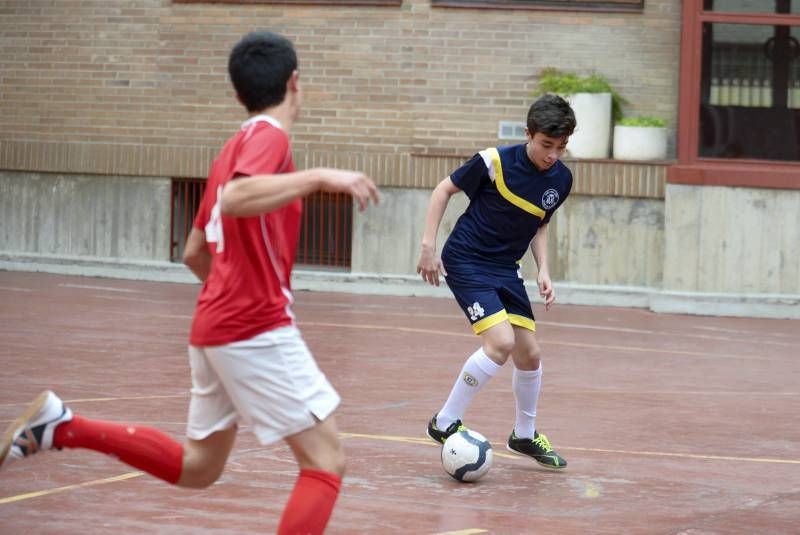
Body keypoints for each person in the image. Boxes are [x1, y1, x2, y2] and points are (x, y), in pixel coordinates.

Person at [1, 31, 379, 534]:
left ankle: (64, 426)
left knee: (199, 467)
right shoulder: (270, 138)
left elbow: (195, 251)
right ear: (294, 83)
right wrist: (320, 177)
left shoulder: (229, 151)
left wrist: (229, 293)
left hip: (217, 325)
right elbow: (237, 200)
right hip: (252, 325)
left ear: (236, 91)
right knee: (325, 462)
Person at [416, 94, 575, 470]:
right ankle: (443, 423)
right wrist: (428, 246)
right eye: (546, 145)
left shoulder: (561, 180)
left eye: (561, 147)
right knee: (501, 342)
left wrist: (544, 270)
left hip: (506, 267)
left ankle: (523, 435)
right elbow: (443, 190)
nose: (553, 154)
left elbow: (539, 224)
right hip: (467, 259)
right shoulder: (494, 161)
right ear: (528, 134)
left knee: (529, 354)